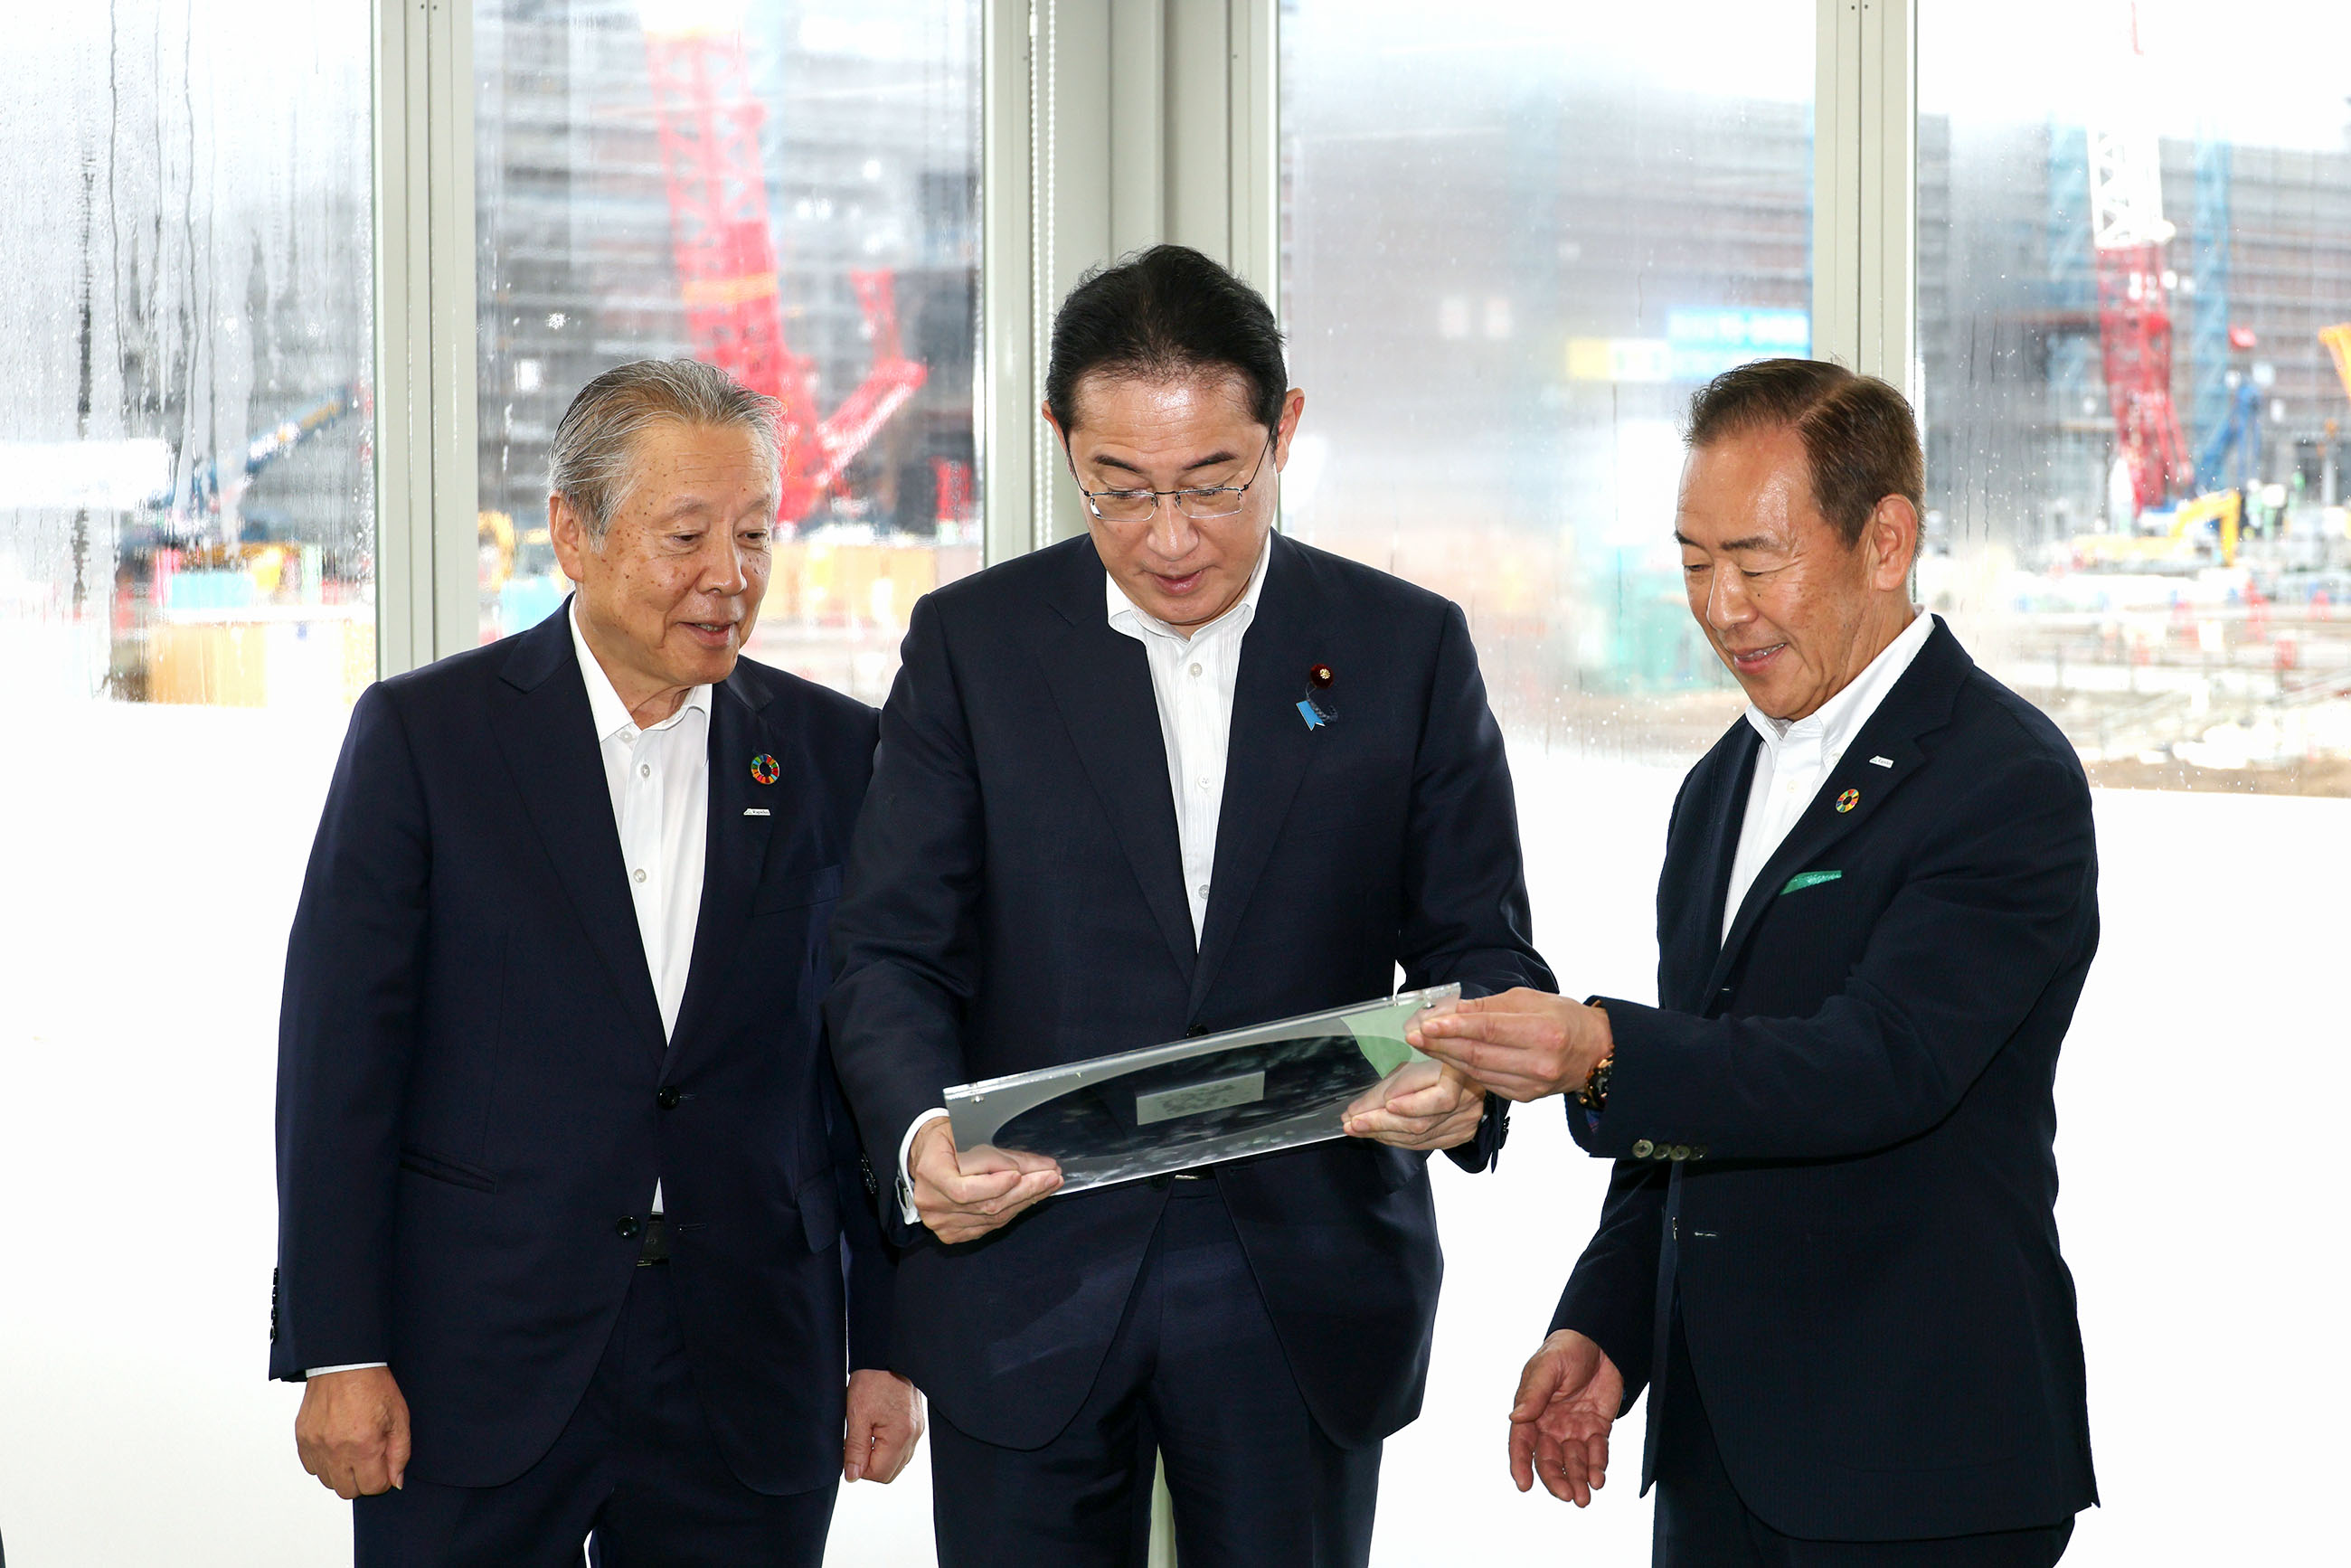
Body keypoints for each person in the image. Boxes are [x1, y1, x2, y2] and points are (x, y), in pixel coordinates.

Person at [824, 243, 1553, 1568]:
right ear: (1060, 441)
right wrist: (920, 1129)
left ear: (1285, 428)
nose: (1171, 536)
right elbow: (887, 950)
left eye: (1215, 482)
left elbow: (1480, 944)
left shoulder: (1406, 649)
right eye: (1120, 487)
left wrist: (1465, 1081)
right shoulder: (972, 648)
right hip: (1028, 1270)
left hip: (1299, 1289)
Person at [1413, 359, 2098, 1566]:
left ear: (1886, 540)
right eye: (1691, 561)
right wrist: (1607, 1325)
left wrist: (1598, 1047)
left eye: (1754, 559)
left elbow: (1879, 1063)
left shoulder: (2007, 781)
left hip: (1922, 1467)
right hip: (1724, 1457)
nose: (1720, 605)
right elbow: (1696, 1102)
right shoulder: (1716, 786)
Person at [270, 359, 920, 1566]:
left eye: (755, 534)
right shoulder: (428, 739)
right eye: (687, 534)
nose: (730, 576)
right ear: (572, 532)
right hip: (480, 1353)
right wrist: (338, 1347)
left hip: (750, 1356)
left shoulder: (838, 751)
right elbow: (339, 1063)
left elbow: (859, 1070)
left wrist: (887, 1342)